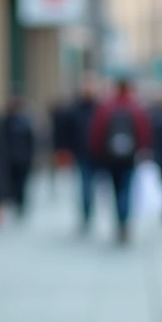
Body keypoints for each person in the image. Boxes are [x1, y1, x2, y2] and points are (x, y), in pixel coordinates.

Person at [88, 77, 152, 243]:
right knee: (127, 189)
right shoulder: (135, 108)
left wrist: (98, 153)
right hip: (129, 157)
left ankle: (120, 221)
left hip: (110, 157)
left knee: (116, 190)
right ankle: (124, 222)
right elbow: (144, 131)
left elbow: (97, 132)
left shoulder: (107, 108)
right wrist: (143, 150)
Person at [69, 77, 102, 231]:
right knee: (85, 184)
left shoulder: (100, 109)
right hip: (82, 153)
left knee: (90, 184)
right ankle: (87, 213)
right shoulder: (75, 109)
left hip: (97, 153)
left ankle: (89, 211)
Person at [3, 93, 36, 217]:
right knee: (17, 182)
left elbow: (31, 141)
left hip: (21, 158)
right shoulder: (8, 120)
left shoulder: (24, 121)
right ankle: (17, 201)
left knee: (20, 183)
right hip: (15, 158)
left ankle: (19, 202)